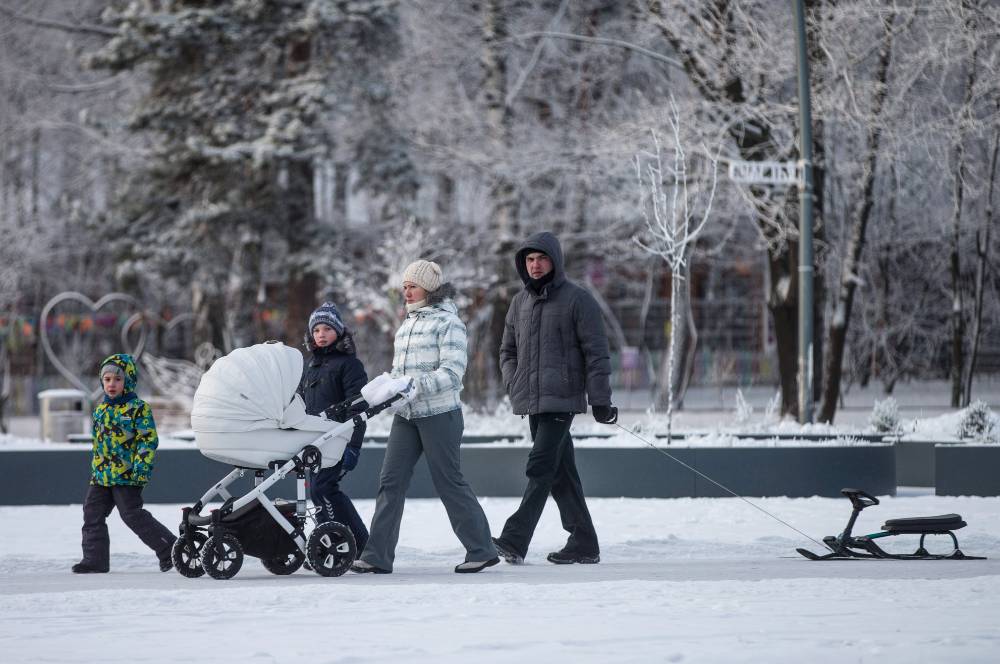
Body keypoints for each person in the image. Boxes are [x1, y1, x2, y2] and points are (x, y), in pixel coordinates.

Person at [351, 260, 499, 574]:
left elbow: (452, 372)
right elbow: (401, 372)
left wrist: (416, 385)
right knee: (390, 482)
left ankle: (481, 549)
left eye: (412, 286)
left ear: (429, 288)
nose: (406, 291)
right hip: (406, 415)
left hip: (440, 414)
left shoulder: (449, 323)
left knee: (448, 481)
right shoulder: (407, 324)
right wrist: (385, 387)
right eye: (404, 286)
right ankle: (377, 556)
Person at [492, 231, 617, 565]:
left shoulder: (578, 299)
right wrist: (512, 380)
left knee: (540, 466)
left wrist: (600, 399)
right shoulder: (519, 302)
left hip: (562, 399)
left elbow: (597, 353)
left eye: (541, 259)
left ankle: (514, 539)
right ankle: (584, 542)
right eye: (529, 260)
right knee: (561, 473)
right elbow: (507, 350)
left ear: (555, 261)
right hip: (532, 399)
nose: (535, 265)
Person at [73, 354, 176, 573]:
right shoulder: (101, 410)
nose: (111, 384)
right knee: (92, 514)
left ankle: (170, 550)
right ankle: (95, 560)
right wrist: (96, 469)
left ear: (127, 381)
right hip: (101, 475)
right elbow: (98, 444)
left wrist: (141, 467)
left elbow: (148, 440)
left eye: (117, 379)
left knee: (132, 515)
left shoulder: (138, 409)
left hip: (128, 474)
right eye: (107, 379)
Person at [298, 302, 370, 551]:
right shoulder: (309, 366)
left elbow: (359, 409)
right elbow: (298, 403)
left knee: (324, 488)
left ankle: (342, 543)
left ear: (339, 332)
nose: (321, 334)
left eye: (327, 329)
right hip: (314, 443)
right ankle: (342, 542)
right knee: (320, 492)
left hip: (338, 441)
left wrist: (354, 446)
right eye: (316, 330)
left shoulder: (349, 365)